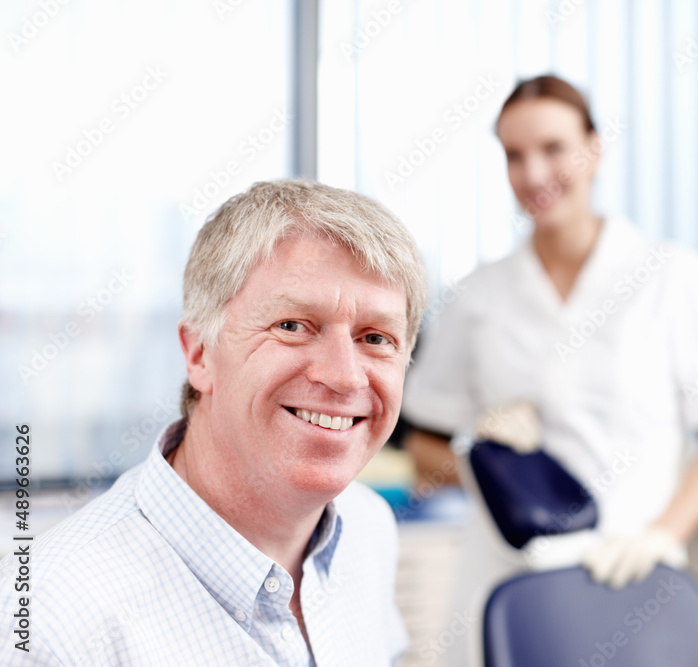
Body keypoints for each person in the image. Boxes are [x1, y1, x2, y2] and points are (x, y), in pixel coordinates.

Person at [400, 75, 698, 666]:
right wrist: (485, 456)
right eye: (514, 156)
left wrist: (662, 535)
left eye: (553, 149)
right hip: (504, 580)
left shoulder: (666, 275)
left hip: (629, 569)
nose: (533, 174)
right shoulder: (477, 297)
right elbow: (425, 450)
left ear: (594, 149)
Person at [0, 180, 427, 666]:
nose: (344, 376)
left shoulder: (368, 527)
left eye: (376, 338)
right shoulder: (49, 618)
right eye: (291, 326)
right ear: (200, 354)